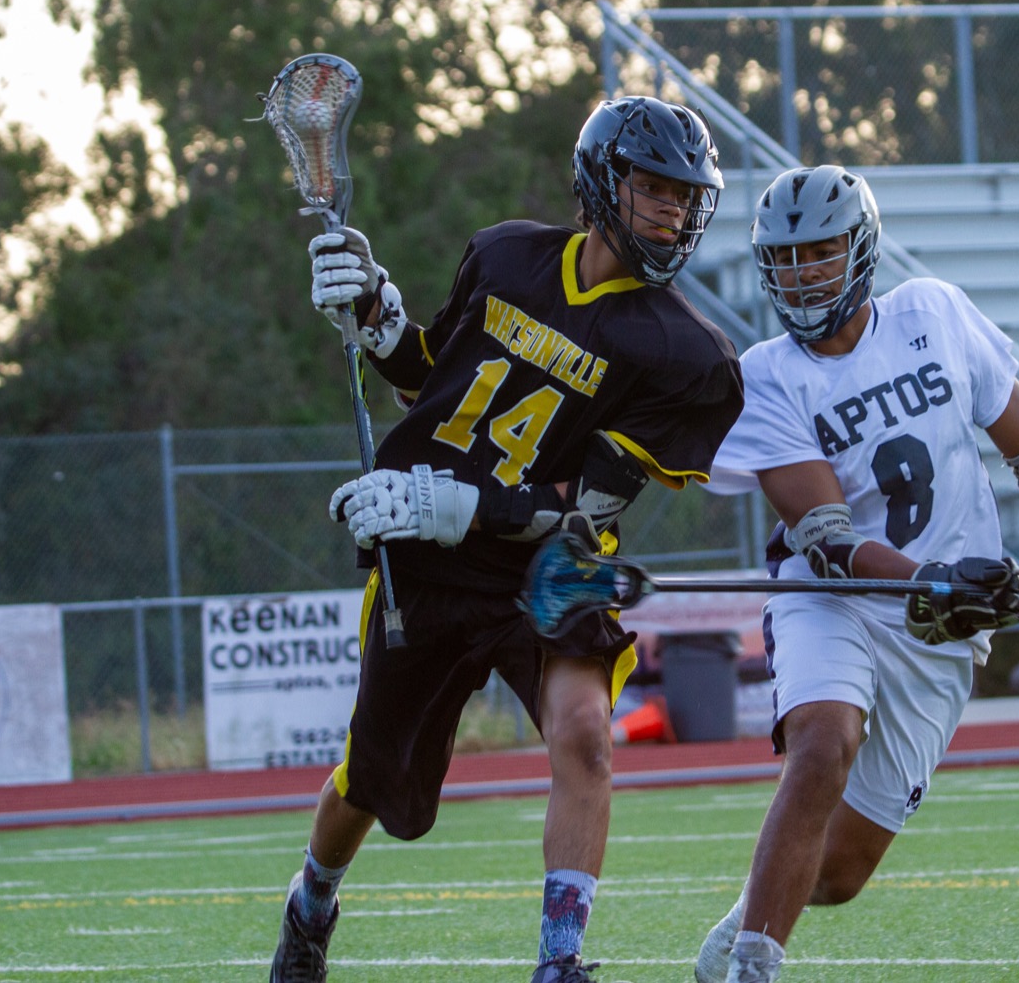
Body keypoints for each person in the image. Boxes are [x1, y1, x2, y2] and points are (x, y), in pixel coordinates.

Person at [268, 95, 744, 983]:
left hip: (546, 570)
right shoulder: (505, 255)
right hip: (428, 564)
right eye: (655, 190)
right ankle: (310, 905)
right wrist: (374, 313)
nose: (674, 213)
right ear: (602, 184)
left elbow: (588, 509)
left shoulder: (689, 355)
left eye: (686, 197)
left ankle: (559, 964)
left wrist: (457, 505)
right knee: (376, 789)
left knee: (586, 735)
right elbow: (426, 380)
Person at [693, 165, 1019, 983]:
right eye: (784, 259)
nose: (801, 274)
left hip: (945, 627)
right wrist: (936, 577)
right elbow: (828, 542)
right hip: (840, 600)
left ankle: (747, 922)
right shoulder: (767, 375)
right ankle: (756, 968)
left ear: (860, 249)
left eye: (819, 253)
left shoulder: (933, 311)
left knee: (841, 873)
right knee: (823, 744)